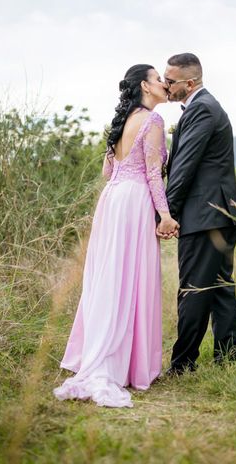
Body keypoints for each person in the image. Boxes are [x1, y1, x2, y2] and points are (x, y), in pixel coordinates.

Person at [53, 64, 179, 408]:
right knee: (132, 277)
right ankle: (124, 364)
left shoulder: (121, 122)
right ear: (145, 85)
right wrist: (165, 215)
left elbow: (108, 170)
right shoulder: (153, 122)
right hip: (135, 201)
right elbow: (154, 174)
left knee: (111, 276)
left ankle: (106, 354)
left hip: (112, 201)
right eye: (158, 79)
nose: (164, 84)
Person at [161, 52, 236, 375]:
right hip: (219, 212)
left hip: (205, 214)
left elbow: (184, 167)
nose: (166, 86)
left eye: (171, 81)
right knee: (219, 286)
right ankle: (229, 358)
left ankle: (183, 363)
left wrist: (165, 213)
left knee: (194, 288)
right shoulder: (202, 107)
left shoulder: (202, 110)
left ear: (189, 83)